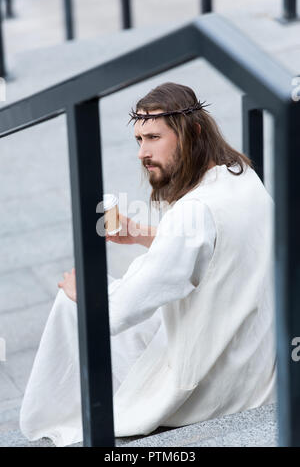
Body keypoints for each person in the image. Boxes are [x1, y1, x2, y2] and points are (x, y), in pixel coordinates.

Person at [19, 82, 277, 447]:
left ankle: (62, 417)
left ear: (193, 133)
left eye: (154, 137)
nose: (143, 152)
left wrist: (83, 292)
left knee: (74, 304)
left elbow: (118, 312)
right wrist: (144, 234)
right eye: (139, 140)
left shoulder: (196, 208)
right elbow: (219, 250)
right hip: (253, 357)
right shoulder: (239, 175)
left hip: (216, 379)